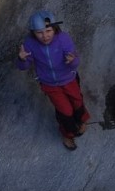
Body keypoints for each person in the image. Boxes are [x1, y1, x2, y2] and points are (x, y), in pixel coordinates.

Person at [15, 10, 91, 151]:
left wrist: (72, 61)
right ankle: (67, 134)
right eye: (39, 32)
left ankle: (81, 120)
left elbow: (75, 60)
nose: (45, 36)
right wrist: (22, 59)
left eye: (48, 31)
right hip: (50, 85)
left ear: (54, 28)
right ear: (33, 33)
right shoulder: (30, 44)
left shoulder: (63, 39)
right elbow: (23, 67)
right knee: (65, 111)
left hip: (69, 79)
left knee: (77, 101)